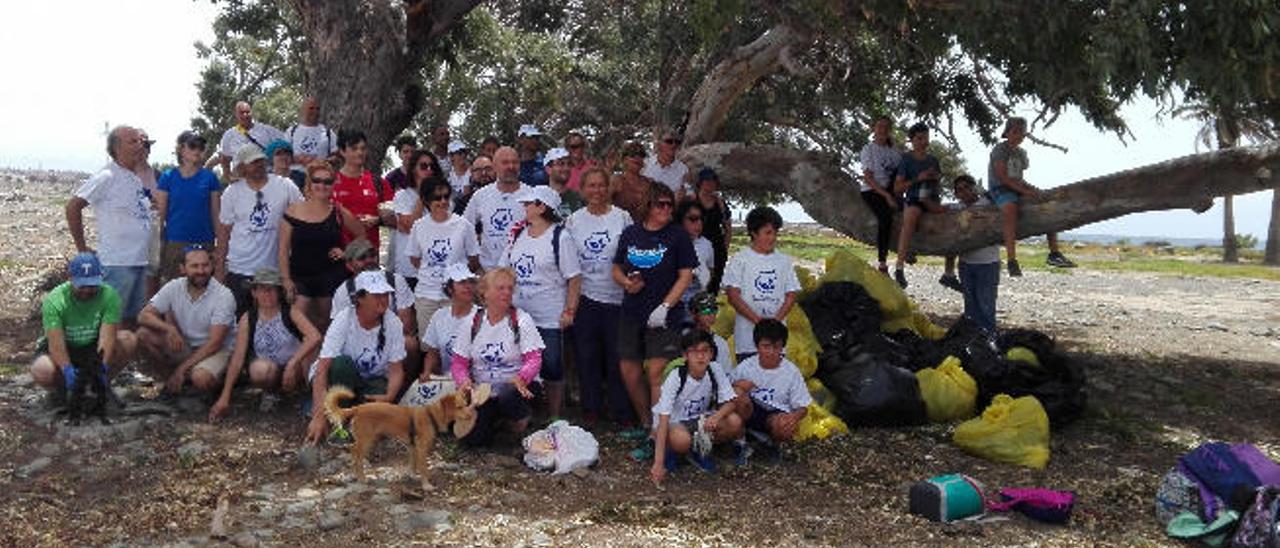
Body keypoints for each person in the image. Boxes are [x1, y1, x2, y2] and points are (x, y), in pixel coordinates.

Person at [612, 183, 696, 460]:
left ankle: (655, 437)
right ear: (648, 205)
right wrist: (626, 282)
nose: (666, 209)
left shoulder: (678, 236)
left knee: (657, 373)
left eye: (670, 205)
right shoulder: (631, 233)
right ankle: (646, 422)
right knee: (629, 370)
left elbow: (685, 276)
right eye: (660, 204)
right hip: (632, 312)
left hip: (666, 316)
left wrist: (665, 306)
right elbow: (616, 268)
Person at [502, 186, 582, 420]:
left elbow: (574, 278)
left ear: (542, 207)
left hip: (549, 315)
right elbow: (505, 268)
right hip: (519, 315)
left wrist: (569, 310)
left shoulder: (560, 237)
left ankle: (554, 415)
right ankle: (525, 412)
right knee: (519, 362)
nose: (524, 207)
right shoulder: (518, 234)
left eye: (528, 204)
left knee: (552, 366)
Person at [305, 271, 409, 444]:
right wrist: (318, 416)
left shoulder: (393, 322)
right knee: (341, 365)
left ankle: (352, 414)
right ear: (359, 298)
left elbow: (396, 370)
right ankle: (338, 416)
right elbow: (322, 369)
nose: (383, 299)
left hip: (370, 381)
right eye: (376, 295)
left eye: (385, 294)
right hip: (340, 378)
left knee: (382, 400)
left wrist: (389, 396)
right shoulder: (344, 319)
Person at [565, 167, 633, 427]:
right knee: (587, 356)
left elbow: (632, 252)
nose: (597, 191)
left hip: (617, 298)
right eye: (591, 186)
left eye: (601, 185)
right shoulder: (573, 221)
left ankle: (620, 410)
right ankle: (590, 409)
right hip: (586, 298)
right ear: (582, 191)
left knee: (617, 357)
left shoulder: (622, 217)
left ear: (608, 188)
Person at [66, 125, 153, 327]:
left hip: (140, 261)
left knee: (134, 320)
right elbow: (73, 207)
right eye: (133, 141)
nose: (140, 145)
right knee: (112, 322)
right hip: (118, 264)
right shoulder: (107, 177)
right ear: (117, 148)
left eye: (140, 141)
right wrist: (82, 249)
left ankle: (125, 358)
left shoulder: (134, 178)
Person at [209, 268, 322, 422]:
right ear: (254, 293)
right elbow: (237, 359)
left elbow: (314, 336)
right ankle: (271, 393)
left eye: (272, 290)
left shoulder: (290, 312)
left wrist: (292, 363)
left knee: (310, 353)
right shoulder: (248, 319)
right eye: (262, 289)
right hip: (270, 369)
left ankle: (311, 397)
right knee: (258, 369)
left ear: (279, 292)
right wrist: (225, 396)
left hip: (296, 368)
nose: (267, 294)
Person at [449, 268, 546, 447]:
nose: (507, 292)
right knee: (472, 440)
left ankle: (521, 420)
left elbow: (535, 359)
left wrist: (521, 377)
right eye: (501, 288)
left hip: (518, 390)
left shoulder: (521, 320)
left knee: (508, 395)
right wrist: (464, 381)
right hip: (483, 392)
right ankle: (499, 424)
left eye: (510, 288)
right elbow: (458, 362)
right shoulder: (472, 322)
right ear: (484, 292)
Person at [29, 253, 137, 403]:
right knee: (42, 369)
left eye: (92, 285)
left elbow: (107, 337)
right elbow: (56, 344)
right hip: (66, 347)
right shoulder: (55, 300)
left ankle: (101, 385)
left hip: (92, 346)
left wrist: (103, 366)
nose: (87, 290)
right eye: (82, 285)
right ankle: (62, 390)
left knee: (128, 339)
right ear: (70, 278)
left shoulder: (109, 296)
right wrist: (67, 370)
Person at [216, 145, 304, 316]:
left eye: (260, 160)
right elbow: (224, 232)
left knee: (273, 319)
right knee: (241, 321)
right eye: (252, 162)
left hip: (274, 270)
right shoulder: (231, 193)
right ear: (241, 167)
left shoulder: (285, 186)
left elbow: (303, 215)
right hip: (240, 269)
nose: (258, 165)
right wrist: (220, 270)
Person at [137, 246, 236, 397]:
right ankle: (171, 383)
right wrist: (169, 329)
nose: (201, 271)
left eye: (205, 265)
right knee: (143, 335)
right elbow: (144, 315)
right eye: (194, 266)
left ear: (212, 266)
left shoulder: (223, 295)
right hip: (187, 346)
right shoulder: (174, 286)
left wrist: (182, 369)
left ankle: (205, 387)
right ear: (183, 268)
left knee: (201, 378)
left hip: (216, 350)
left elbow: (215, 343)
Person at [279, 160, 365, 330]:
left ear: (333, 185)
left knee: (326, 325)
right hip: (300, 277)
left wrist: (346, 252)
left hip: (330, 276)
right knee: (298, 323)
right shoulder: (293, 211)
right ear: (309, 183)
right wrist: (286, 280)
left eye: (327, 182)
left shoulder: (338, 211)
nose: (322, 185)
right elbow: (282, 250)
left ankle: (326, 356)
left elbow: (362, 234)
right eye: (317, 180)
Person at [649, 329, 742, 484]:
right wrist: (658, 464)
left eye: (705, 351)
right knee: (681, 440)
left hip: (700, 421)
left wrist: (716, 416)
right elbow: (663, 418)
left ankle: (699, 451)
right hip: (675, 423)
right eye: (694, 351)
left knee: (734, 422)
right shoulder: (677, 376)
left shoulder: (715, 369)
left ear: (711, 353)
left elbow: (731, 402)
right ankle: (674, 451)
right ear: (685, 355)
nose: (701, 356)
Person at [988, 117, 1077, 276]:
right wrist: (1024, 191)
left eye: (1022, 132)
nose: (1019, 135)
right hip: (999, 189)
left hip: (1017, 186)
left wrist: (1031, 190)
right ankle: (1011, 260)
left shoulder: (1021, 153)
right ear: (1007, 133)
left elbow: (1018, 178)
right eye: (1015, 132)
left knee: (1046, 201)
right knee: (1010, 209)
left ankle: (1054, 253)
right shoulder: (1000, 150)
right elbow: (1002, 177)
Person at [329, 239, 421, 378]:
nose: (369, 261)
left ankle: (404, 386)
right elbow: (338, 332)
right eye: (362, 258)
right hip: (358, 343)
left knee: (410, 344)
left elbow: (407, 327)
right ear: (349, 265)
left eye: (372, 255)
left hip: (390, 338)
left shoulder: (396, 280)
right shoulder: (343, 292)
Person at [724, 206, 801, 362]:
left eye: (775, 233)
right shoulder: (740, 259)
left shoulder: (784, 261)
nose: (772, 238)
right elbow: (733, 295)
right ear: (753, 233)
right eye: (767, 233)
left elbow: (791, 294)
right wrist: (758, 322)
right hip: (747, 342)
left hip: (776, 341)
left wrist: (775, 322)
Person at [407, 178, 480, 338]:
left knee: (459, 344)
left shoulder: (463, 225)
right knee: (428, 347)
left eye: (446, 196)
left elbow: (473, 260)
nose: (443, 201)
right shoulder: (418, 226)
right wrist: (434, 272)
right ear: (426, 200)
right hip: (426, 295)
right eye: (437, 198)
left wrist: (457, 277)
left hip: (456, 296)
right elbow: (415, 259)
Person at [730, 318, 810, 461]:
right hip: (750, 411)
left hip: (775, 415)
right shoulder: (746, 366)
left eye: (776, 347)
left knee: (785, 426)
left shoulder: (791, 371)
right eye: (766, 346)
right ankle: (740, 443)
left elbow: (803, 407)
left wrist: (792, 418)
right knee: (736, 393)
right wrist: (738, 385)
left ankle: (772, 444)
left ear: (782, 347)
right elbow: (725, 394)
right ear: (757, 346)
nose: (771, 352)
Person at [155, 131, 221, 284]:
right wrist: (158, 245)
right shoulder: (167, 177)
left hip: (205, 243)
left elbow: (216, 215)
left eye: (201, 147)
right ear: (181, 149)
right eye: (192, 146)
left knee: (204, 291)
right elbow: (160, 215)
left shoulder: (210, 178)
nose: (197, 150)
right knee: (175, 292)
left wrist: (220, 248)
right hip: (175, 244)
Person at [892, 122, 947, 289]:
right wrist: (918, 178)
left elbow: (938, 184)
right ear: (912, 140)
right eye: (920, 138)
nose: (924, 141)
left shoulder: (933, 160)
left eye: (926, 138)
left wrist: (934, 179)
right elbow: (897, 188)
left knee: (951, 218)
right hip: (915, 199)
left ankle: (949, 272)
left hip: (932, 199)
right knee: (910, 219)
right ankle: (899, 268)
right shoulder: (906, 160)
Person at [463, 146, 529, 269]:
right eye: (505, 162)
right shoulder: (481, 196)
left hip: (522, 273)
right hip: (488, 272)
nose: (511, 166)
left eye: (514, 162)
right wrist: (474, 258)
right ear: (494, 166)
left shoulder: (531, 196)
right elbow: (464, 228)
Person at [953, 175, 1002, 333]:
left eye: (966, 187)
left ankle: (989, 339)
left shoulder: (988, 203)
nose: (963, 192)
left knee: (986, 306)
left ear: (973, 188)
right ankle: (973, 341)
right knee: (970, 306)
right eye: (959, 190)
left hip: (988, 264)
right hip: (966, 264)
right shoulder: (957, 208)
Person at [332, 129, 394, 249]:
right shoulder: (329, 183)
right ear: (342, 151)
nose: (360, 152)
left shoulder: (379, 183)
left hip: (369, 255)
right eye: (354, 148)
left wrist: (378, 220)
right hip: (338, 256)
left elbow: (394, 219)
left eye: (363, 148)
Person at [391, 149, 442, 287]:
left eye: (432, 166)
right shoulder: (402, 196)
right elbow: (410, 227)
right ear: (413, 170)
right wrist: (422, 196)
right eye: (424, 166)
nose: (429, 170)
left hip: (435, 269)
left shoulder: (443, 198)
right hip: (409, 271)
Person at [859, 115, 902, 275]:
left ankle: (906, 252)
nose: (883, 130)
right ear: (873, 129)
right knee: (885, 218)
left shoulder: (895, 153)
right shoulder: (868, 150)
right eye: (880, 126)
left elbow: (901, 173)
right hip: (872, 191)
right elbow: (868, 178)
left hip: (891, 189)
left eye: (886, 127)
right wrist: (887, 196)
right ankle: (882, 262)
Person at [419, 263, 479, 378]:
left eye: (471, 281)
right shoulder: (439, 316)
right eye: (462, 282)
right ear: (449, 288)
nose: (468, 286)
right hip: (447, 380)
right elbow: (432, 353)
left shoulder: (483, 316)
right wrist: (427, 372)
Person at [215, 101, 286, 179]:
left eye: (247, 112)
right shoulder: (229, 135)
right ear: (236, 115)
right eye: (241, 113)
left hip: (266, 177)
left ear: (252, 113)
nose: (245, 115)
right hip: (242, 179)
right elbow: (225, 158)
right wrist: (228, 176)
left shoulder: (266, 130)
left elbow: (286, 144)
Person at [692, 168, 733, 294]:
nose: (710, 183)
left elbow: (728, 227)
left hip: (717, 248)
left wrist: (724, 248)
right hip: (697, 247)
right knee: (696, 283)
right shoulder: (692, 201)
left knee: (713, 285)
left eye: (713, 180)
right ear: (700, 182)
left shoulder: (720, 203)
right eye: (707, 180)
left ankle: (709, 311)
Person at [674, 199, 714, 324]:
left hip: (699, 307)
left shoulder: (706, 244)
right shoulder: (670, 243)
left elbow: (710, 271)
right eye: (693, 219)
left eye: (701, 219)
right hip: (675, 306)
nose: (699, 223)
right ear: (681, 220)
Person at [285, 97, 338, 174]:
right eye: (311, 108)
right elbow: (282, 156)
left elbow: (337, 158)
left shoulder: (328, 133)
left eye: (318, 109)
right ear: (303, 110)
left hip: (318, 176)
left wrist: (321, 161)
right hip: (295, 175)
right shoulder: (291, 132)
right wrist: (298, 159)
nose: (315, 112)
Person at [611, 141, 656, 222]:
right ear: (623, 159)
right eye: (632, 154)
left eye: (641, 155)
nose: (637, 158)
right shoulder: (615, 181)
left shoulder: (650, 183)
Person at [687, 292, 733, 370]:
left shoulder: (720, 342)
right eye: (706, 311)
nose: (711, 315)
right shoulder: (682, 339)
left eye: (714, 310)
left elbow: (726, 374)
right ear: (693, 314)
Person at [642, 128, 690, 200]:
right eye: (669, 141)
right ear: (659, 144)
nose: (674, 145)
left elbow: (690, 194)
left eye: (677, 142)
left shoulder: (683, 169)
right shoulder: (646, 164)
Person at [543, 147, 584, 218]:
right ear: (548, 169)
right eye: (561, 164)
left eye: (569, 164)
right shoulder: (538, 198)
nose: (566, 168)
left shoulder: (580, 198)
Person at [446, 139, 472, 204]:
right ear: (451, 156)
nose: (463, 155)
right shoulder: (447, 176)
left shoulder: (473, 172)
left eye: (464, 152)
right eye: (459, 153)